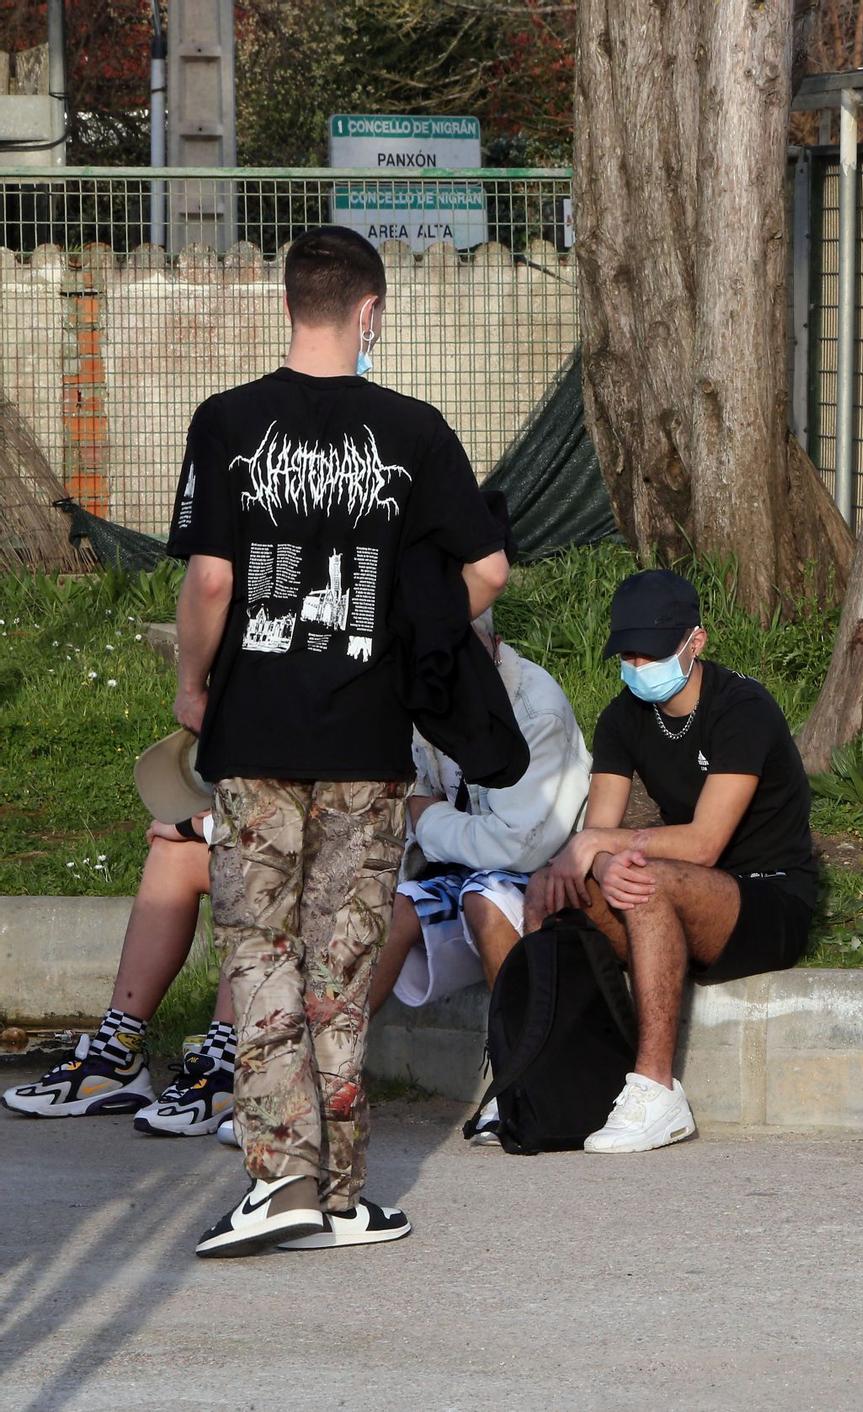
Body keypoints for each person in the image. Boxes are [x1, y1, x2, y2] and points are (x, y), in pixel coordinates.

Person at [167, 226, 509, 1257]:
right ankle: (347, 1190)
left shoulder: (228, 420)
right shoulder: (412, 428)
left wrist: (192, 680)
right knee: (340, 957)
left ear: (287, 305)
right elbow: (487, 570)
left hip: (256, 731)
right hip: (368, 737)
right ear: (370, 311)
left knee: (260, 946)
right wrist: (411, 637)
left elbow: (214, 580)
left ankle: (284, 1177)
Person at [1, 613, 587, 1146]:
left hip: (502, 880)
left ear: (494, 648)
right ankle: (122, 1050)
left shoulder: (531, 709)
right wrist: (205, 827)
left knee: (338, 899)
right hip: (391, 859)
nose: (437, 678)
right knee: (187, 859)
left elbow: (513, 845)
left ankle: (276, 1077)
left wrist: (423, 816)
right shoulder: (402, 694)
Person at [524, 568, 818, 1155]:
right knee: (550, 888)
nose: (637, 665)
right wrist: (596, 862)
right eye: (627, 653)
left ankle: (658, 1092)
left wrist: (601, 849)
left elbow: (705, 843)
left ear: (695, 642)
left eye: (650, 653)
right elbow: (599, 833)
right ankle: (545, 1078)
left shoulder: (742, 709)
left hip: (767, 897)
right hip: (690, 890)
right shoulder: (621, 716)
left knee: (644, 880)